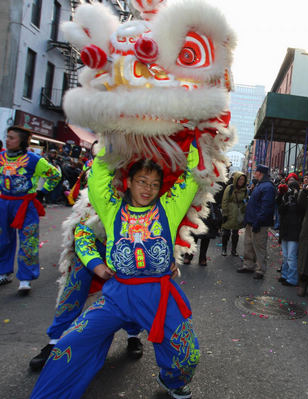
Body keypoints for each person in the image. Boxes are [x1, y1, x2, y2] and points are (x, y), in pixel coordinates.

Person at [31, 144, 202, 399]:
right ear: (129, 182)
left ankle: (172, 381)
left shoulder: (169, 207)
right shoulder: (111, 210)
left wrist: (195, 131)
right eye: (142, 181)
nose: (148, 189)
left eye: (155, 184)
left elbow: (191, 175)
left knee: (188, 354)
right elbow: (98, 177)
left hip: (159, 296)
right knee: (70, 343)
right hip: (117, 296)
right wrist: (110, 138)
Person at [29, 189, 144, 371]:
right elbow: (82, 232)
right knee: (75, 284)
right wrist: (95, 264)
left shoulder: (143, 185)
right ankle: (55, 340)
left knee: (132, 292)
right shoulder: (97, 182)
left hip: (130, 246)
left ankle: (133, 335)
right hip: (95, 245)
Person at [0, 126, 61, 293]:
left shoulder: (34, 160)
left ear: (21, 141)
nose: (8, 140)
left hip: (25, 204)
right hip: (4, 203)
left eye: (12, 138)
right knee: (3, 239)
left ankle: (26, 278)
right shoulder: (1, 157)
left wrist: (43, 191)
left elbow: (55, 175)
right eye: (7, 136)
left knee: (28, 241)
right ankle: (4, 272)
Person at [237, 164, 276, 279]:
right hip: (252, 220)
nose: (254, 173)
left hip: (259, 222)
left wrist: (258, 221)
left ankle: (260, 270)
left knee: (259, 246)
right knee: (248, 244)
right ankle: (248, 265)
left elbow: (267, 207)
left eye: (256, 171)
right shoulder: (261, 185)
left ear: (260, 173)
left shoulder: (267, 187)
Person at [276, 179, 302, 287]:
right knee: (286, 256)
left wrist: (296, 198)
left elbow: (301, 210)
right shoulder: (285, 197)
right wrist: (283, 197)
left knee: (291, 256)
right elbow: (280, 210)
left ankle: (292, 278)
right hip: (285, 230)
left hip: (294, 230)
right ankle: (285, 275)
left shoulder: (299, 200)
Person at [220, 171, 247, 256]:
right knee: (226, 232)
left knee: (236, 233)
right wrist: (225, 213)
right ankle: (224, 249)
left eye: (243, 179)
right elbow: (225, 200)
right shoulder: (230, 188)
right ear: (236, 179)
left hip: (238, 213)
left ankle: (233, 250)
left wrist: (244, 212)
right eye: (240, 179)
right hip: (229, 212)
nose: (241, 181)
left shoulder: (245, 190)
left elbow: (245, 200)